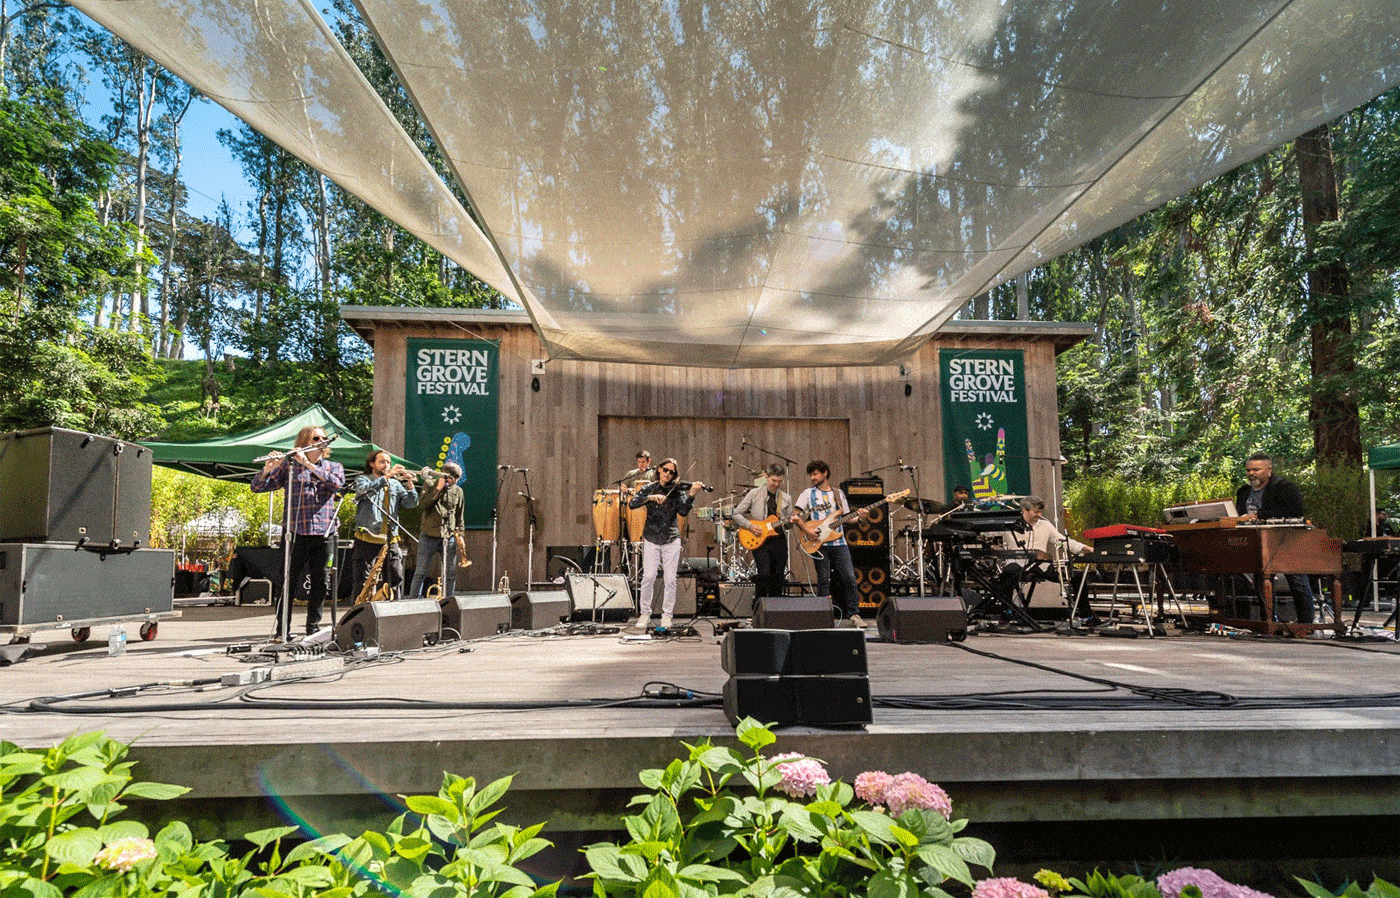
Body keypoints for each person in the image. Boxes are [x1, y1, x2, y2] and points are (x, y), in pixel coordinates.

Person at [249, 425, 345, 639]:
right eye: (316, 438)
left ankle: (313, 628)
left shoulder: (334, 466)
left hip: (323, 533)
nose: (322, 441)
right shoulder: (290, 467)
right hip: (295, 533)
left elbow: (336, 484)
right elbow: (257, 487)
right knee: (288, 582)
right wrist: (268, 469)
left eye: (324, 438)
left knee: (321, 582)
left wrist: (308, 464)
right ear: (304, 442)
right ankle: (283, 630)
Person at [1235, 452, 1315, 623]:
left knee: (1297, 581)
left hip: (1287, 541)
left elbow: (1295, 511)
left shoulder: (1284, 487)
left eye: (1256, 469)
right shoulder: (1243, 492)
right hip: (1258, 542)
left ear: (1269, 470)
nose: (1251, 473)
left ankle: (1306, 624)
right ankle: (1269, 622)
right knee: (1261, 581)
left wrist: (1259, 516)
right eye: (1248, 470)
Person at [628, 458, 704, 630]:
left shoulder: (677, 490)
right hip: (651, 537)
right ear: (659, 470)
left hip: (671, 538)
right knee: (648, 577)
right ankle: (645, 614)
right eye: (665, 470)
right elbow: (632, 503)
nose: (668, 474)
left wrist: (692, 494)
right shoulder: (650, 487)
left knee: (670, 579)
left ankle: (667, 616)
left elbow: (683, 512)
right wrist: (649, 497)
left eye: (672, 472)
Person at [791, 460, 868, 627]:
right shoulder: (807, 493)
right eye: (811, 475)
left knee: (849, 577)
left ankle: (854, 615)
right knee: (823, 580)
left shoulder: (838, 493)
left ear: (824, 473)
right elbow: (795, 516)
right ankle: (824, 616)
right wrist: (807, 530)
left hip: (839, 542)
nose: (812, 478)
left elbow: (847, 517)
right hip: (819, 542)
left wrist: (860, 518)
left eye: (815, 474)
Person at [990, 496, 1089, 613]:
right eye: (1036, 512)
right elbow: (988, 532)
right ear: (1025, 510)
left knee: (1077, 576)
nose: (1040, 515)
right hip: (1017, 563)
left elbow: (1062, 541)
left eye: (1041, 512)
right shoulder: (1009, 524)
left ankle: (1086, 615)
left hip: (1041, 565)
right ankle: (1007, 613)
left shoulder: (1045, 525)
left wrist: (1085, 548)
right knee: (1006, 575)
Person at [350, 449, 419, 601]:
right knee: (363, 578)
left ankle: (394, 608)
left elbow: (410, 504)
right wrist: (387, 476)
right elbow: (364, 491)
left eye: (388, 462)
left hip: (390, 537)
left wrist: (410, 484)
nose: (386, 465)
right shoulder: (363, 479)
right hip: (367, 535)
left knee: (396, 576)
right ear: (371, 464)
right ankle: (360, 608)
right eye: (382, 462)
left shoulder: (395, 484)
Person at [731, 464, 792, 605]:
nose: (776, 484)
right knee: (764, 573)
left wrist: (791, 521)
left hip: (778, 539)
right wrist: (750, 526)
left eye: (780, 481)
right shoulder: (754, 493)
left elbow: (788, 525)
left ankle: (776, 608)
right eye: (773, 480)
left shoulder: (786, 498)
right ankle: (760, 606)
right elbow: (736, 514)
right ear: (766, 477)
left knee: (778, 575)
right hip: (759, 538)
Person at [410, 462, 465, 600]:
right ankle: (413, 601)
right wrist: (438, 489)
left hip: (449, 536)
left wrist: (461, 535)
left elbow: (459, 515)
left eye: (457, 478)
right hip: (429, 535)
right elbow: (423, 505)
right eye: (453, 478)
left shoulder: (458, 491)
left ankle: (449, 601)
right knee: (420, 572)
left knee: (450, 572)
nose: (455, 481)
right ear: (444, 475)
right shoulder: (429, 484)